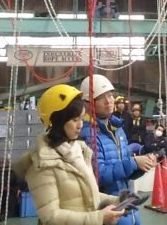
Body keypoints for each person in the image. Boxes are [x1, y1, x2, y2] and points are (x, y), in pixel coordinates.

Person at [13, 84, 124, 225]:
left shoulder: (79, 151)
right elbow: (51, 217)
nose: (80, 125)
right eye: (74, 120)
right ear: (58, 121)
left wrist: (118, 201)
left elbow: (88, 196)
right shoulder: (43, 163)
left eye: (81, 118)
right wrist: (98, 217)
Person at [80, 75, 158, 225]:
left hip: (127, 207)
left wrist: (141, 166)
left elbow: (124, 171)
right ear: (87, 103)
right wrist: (134, 163)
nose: (109, 101)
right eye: (101, 97)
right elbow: (98, 175)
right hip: (108, 211)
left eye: (110, 95)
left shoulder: (117, 129)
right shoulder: (88, 134)